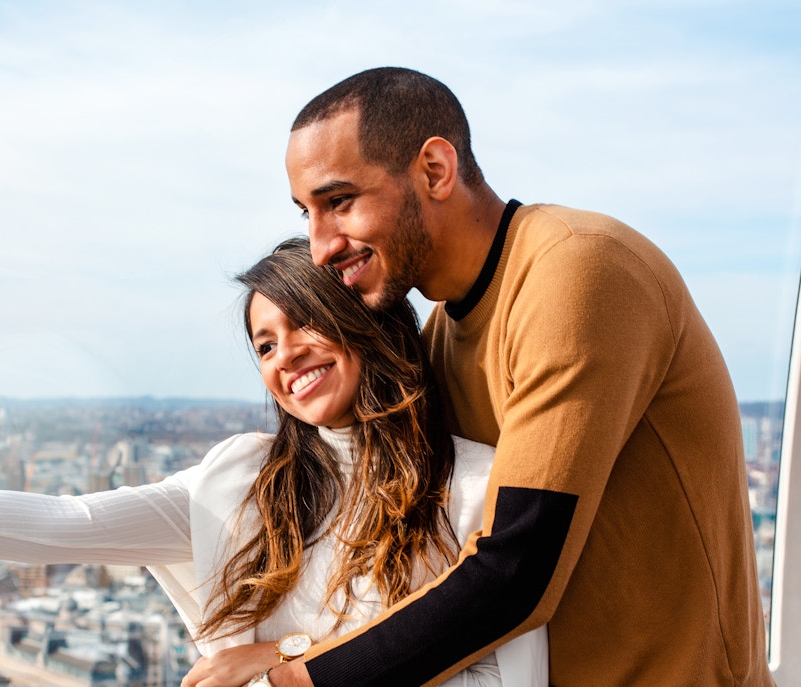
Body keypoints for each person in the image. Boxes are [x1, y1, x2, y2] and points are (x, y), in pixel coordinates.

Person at [0, 238, 548, 687]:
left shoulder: (480, 487)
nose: (285, 353)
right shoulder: (239, 483)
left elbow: (499, 674)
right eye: (264, 343)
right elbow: (70, 523)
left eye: (306, 321)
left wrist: (278, 659)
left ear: (365, 323)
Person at [261, 67, 774, 687]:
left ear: (435, 170)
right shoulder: (444, 334)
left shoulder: (579, 271)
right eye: (306, 213)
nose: (318, 246)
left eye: (339, 202)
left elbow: (515, 574)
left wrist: (296, 679)